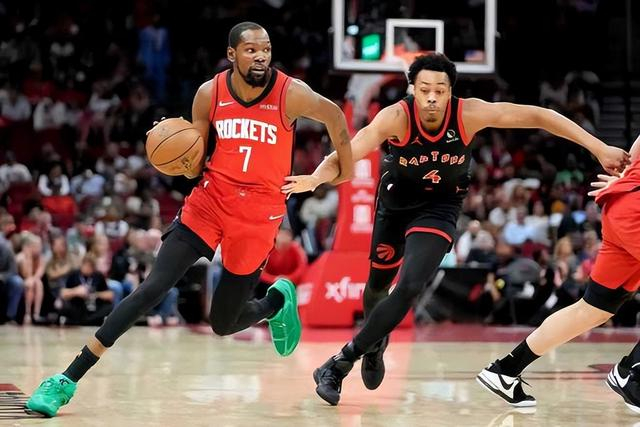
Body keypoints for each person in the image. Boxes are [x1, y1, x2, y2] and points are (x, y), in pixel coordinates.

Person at [26, 21, 353, 417]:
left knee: (223, 323)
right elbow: (194, 160)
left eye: (266, 49)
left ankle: (275, 301)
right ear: (232, 54)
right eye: (251, 50)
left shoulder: (291, 93)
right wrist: (176, 151)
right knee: (153, 287)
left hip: (258, 214)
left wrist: (339, 171)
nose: (261, 56)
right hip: (209, 202)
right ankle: (66, 379)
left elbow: (335, 115)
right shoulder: (209, 94)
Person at [282, 53, 630, 406]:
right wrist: (316, 178)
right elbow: (347, 153)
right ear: (413, 90)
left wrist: (598, 147)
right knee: (377, 288)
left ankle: (338, 364)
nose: (432, 97)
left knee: (410, 286)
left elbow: (540, 116)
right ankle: (374, 345)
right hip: (396, 205)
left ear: (451, 92)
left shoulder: (468, 114)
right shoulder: (395, 117)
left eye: (440, 90)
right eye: (425, 90)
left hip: (439, 208)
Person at [476, 133, 640, 412]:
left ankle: (505, 370)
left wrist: (628, 179)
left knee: (593, 309)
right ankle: (631, 374)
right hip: (633, 207)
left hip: (624, 203)